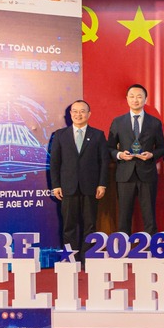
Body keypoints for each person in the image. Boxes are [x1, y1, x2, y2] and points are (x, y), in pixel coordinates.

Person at [50, 100, 109, 260]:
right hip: (67, 187)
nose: (78, 114)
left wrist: (102, 184)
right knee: (69, 225)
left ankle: (87, 257)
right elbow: (54, 162)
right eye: (75, 111)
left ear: (89, 114)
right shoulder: (60, 135)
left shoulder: (98, 135)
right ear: (70, 114)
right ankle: (71, 258)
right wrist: (56, 185)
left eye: (82, 111)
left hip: (91, 187)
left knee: (90, 224)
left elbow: (104, 162)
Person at [107, 84, 164, 236]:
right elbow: (109, 148)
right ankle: (123, 244)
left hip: (147, 172)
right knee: (124, 214)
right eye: (132, 96)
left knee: (149, 213)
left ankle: (151, 245)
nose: (135, 100)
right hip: (125, 173)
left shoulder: (155, 123)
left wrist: (151, 155)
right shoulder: (118, 122)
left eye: (139, 96)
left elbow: (161, 148)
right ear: (127, 99)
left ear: (145, 99)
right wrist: (120, 155)